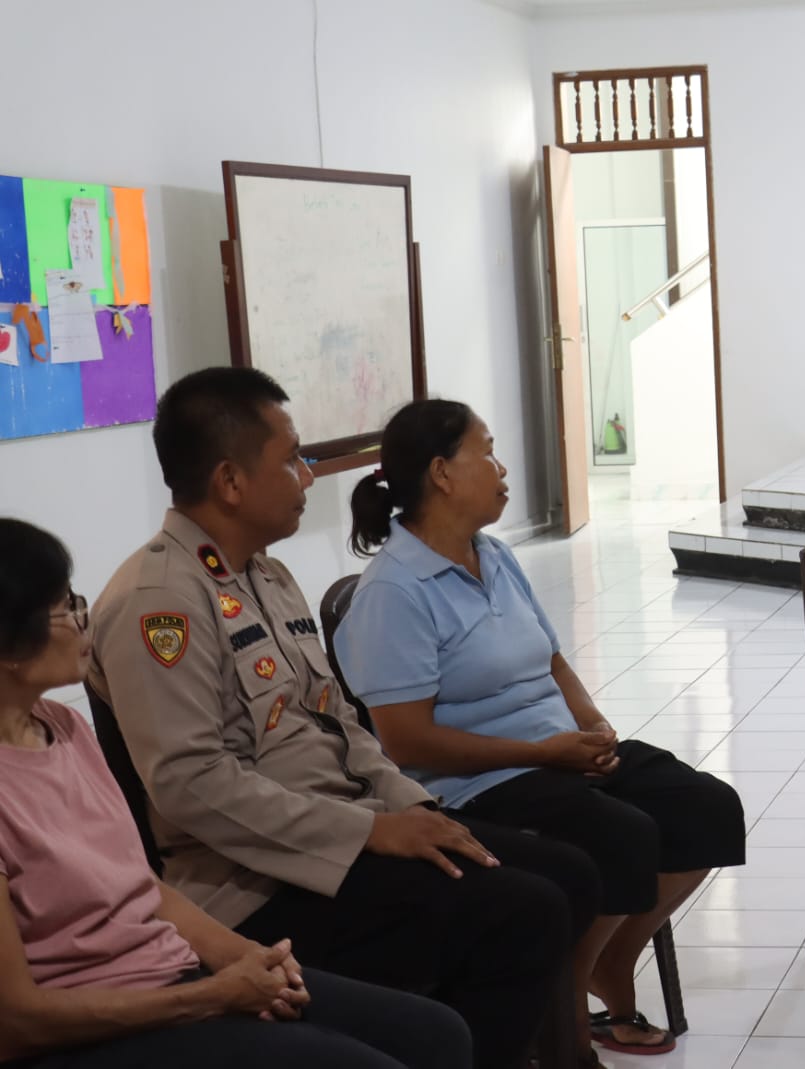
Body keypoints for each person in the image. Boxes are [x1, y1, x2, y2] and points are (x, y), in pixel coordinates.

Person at [87, 368, 606, 1069]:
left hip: (348, 830)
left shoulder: (267, 575)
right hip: (259, 884)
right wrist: (372, 830)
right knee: (523, 910)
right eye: (292, 459)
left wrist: (411, 806)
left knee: (564, 872)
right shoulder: (161, 602)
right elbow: (191, 783)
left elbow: (341, 721)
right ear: (231, 482)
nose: (308, 476)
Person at [332, 400, 746, 1058]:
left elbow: (551, 658)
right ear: (441, 473)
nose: (502, 469)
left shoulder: (492, 554)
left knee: (708, 808)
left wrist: (592, 723)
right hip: (479, 779)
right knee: (623, 836)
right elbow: (405, 742)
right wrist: (542, 750)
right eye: (487, 452)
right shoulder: (394, 591)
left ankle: (611, 961)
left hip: (555, 753)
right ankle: (566, 1020)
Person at [0, 518, 472, 1069]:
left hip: (169, 971)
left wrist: (252, 960)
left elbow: (143, 886)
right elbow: (18, 1023)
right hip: (98, 1026)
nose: (83, 620)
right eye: (65, 609)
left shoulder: (61, 724)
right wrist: (210, 997)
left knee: (436, 1035)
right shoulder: (156, 594)